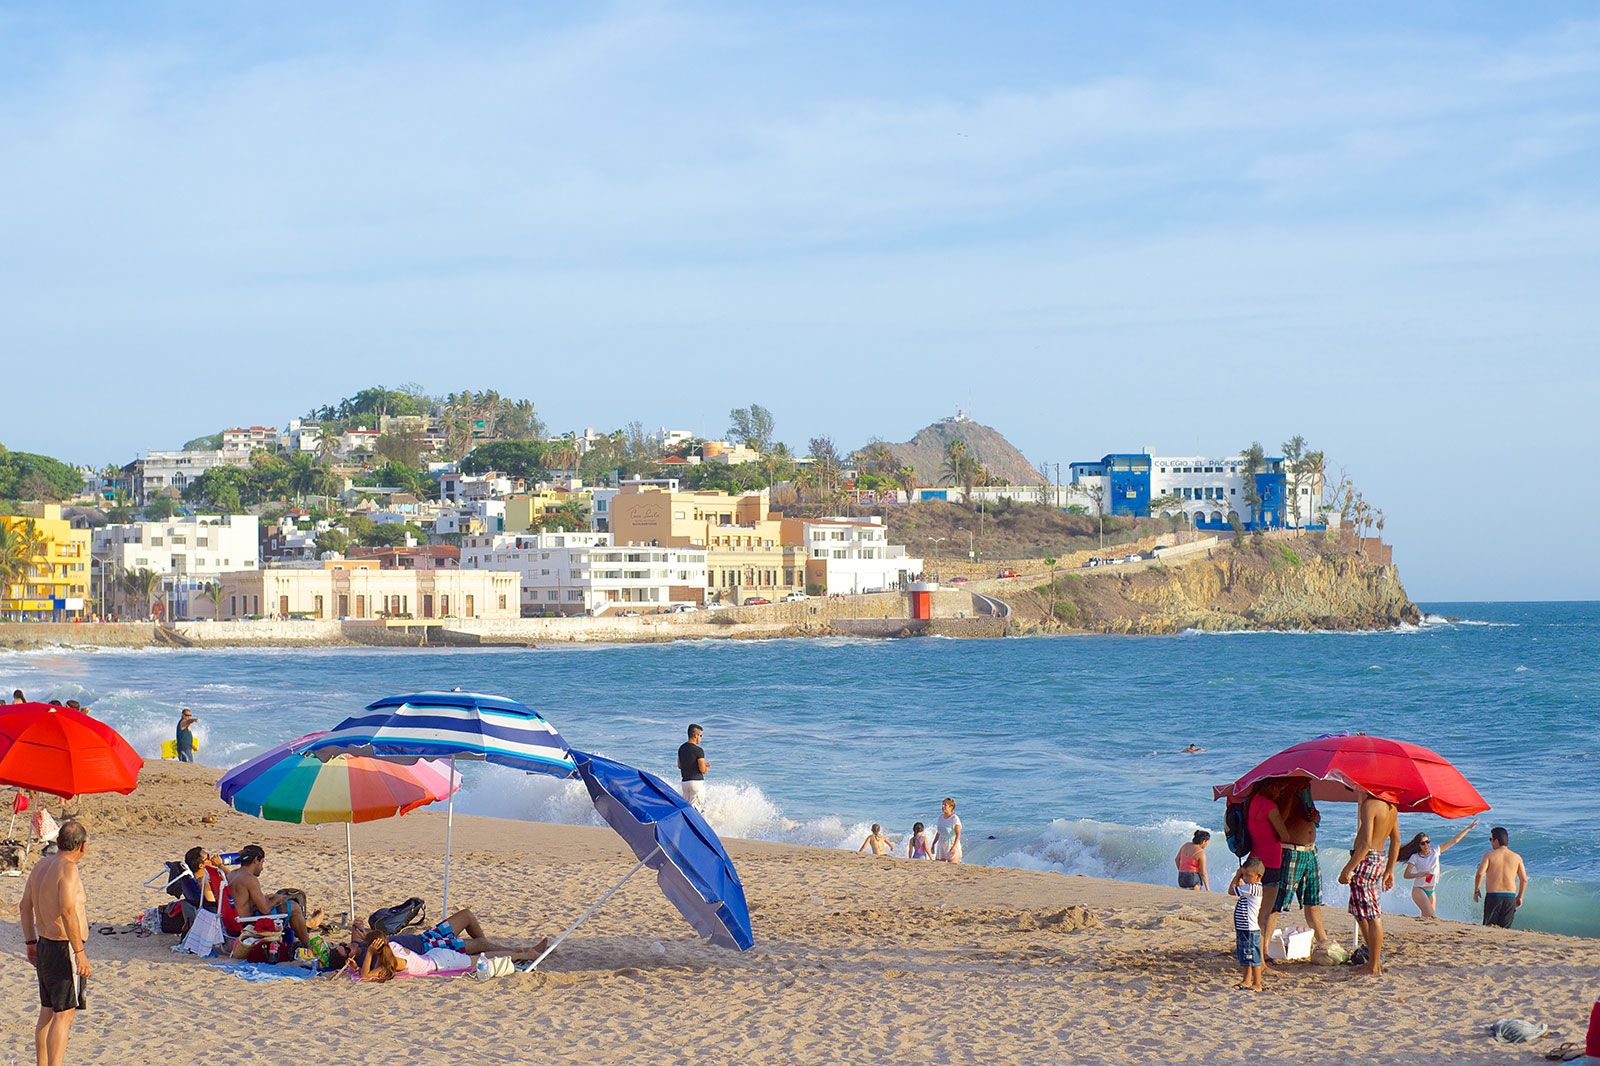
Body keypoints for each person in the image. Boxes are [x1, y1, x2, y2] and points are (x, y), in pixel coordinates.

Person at [20, 819, 89, 1066]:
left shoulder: (41, 865)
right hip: (63, 947)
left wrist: (30, 941)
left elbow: (24, 906)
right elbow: (68, 911)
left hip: (44, 943)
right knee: (64, 1015)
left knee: (47, 1012)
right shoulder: (68, 869)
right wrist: (79, 951)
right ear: (82, 846)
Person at [1337, 792, 1400, 976]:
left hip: (1367, 858)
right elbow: (1396, 841)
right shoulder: (1392, 807)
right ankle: (1373, 957)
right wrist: (1389, 869)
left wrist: (1347, 869)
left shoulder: (1370, 805)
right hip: (1379, 859)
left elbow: (1365, 844)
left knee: (1371, 914)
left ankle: (1373, 964)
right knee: (1360, 910)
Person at [227, 844, 323, 948]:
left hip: (233, 921)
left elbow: (241, 900)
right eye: (262, 862)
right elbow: (265, 910)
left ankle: (298, 935)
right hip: (247, 923)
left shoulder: (232, 874)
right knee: (293, 906)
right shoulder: (250, 879)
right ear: (256, 860)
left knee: (283, 904)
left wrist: (266, 898)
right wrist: (277, 899)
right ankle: (307, 945)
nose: (262, 868)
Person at [1271, 783, 1330, 948]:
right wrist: (1291, 792)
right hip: (1291, 851)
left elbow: (1315, 820)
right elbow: (1278, 821)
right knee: (1277, 903)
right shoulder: (1283, 789)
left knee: (1313, 901)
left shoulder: (1305, 791)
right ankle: (1263, 947)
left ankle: (1322, 940)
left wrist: (1315, 817)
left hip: (1310, 851)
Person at [1399, 818, 1478, 919]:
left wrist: (1469, 828)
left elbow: (1454, 840)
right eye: (1423, 843)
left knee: (1426, 919)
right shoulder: (1415, 857)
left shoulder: (1435, 851)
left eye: (1427, 842)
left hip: (1432, 890)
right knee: (1432, 916)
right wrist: (1420, 874)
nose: (1426, 845)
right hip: (1419, 890)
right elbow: (1406, 875)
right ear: (1419, 845)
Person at [1246, 779, 1289, 965]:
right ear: (1271, 786)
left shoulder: (1251, 802)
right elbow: (1284, 835)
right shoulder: (1270, 806)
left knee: (1253, 912)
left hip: (1254, 862)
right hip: (1271, 863)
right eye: (1279, 787)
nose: (1280, 791)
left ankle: (1254, 952)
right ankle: (1261, 957)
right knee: (1265, 914)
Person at [1474, 826, 1529, 928]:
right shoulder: (1517, 857)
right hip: (1510, 898)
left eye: (1491, 839)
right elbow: (1524, 880)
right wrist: (1520, 897)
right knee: (1505, 930)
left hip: (1493, 897)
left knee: (1489, 928)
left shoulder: (1489, 855)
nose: (1491, 842)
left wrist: (1476, 890)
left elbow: (1480, 874)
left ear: (1496, 840)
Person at [1228, 857, 1265, 992]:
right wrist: (1241, 876)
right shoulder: (1249, 886)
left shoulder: (1253, 888)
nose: (1246, 878)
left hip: (1249, 928)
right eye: (1244, 875)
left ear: (1258, 876)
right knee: (1245, 956)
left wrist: (1237, 876)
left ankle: (1257, 982)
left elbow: (1231, 890)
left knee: (1253, 957)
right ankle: (1247, 980)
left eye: (1248, 875)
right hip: (1243, 928)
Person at [677, 724, 709, 808]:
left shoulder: (681, 748)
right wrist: (706, 767)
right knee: (696, 809)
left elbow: (679, 765)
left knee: (687, 808)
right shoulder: (698, 750)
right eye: (700, 735)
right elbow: (702, 770)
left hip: (685, 783)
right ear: (695, 735)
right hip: (696, 782)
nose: (701, 738)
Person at [933, 798, 962, 863]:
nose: (943, 807)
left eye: (945, 805)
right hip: (941, 845)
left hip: (951, 844)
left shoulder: (954, 818)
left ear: (951, 807)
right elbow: (938, 832)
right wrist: (933, 844)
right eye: (942, 805)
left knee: (952, 867)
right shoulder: (940, 817)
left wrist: (954, 847)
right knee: (939, 866)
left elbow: (958, 834)